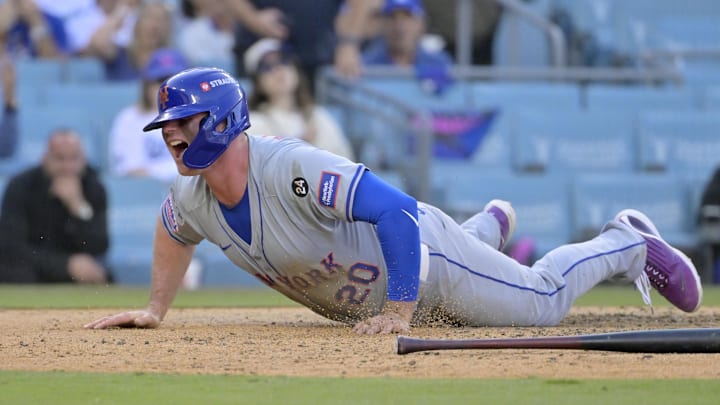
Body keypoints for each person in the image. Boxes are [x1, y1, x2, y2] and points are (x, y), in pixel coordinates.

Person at [85, 67, 702, 334]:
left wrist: (402, 312)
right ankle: (485, 229)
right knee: (469, 253)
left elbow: (397, 211)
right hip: (387, 269)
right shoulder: (192, 194)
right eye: (165, 123)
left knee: (540, 302)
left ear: (219, 120)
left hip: (421, 264)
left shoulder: (293, 167)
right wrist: (157, 308)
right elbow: (173, 227)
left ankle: (623, 240)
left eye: (183, 120)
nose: (169, 132)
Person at [0, 128, 111, 284]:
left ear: (83, 159)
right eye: (60, 159)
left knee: (103, 276)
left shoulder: (93, 187)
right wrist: (65, 265)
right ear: (45, 158)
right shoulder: (21, 185)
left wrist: (78, 207)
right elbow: (11, 247)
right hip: (32, 272)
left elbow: (100, 246)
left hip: (78, 276)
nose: (67, 167)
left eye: (73, 159)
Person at [244, 38, 355, 160]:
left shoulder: (319, 116)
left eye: (284, 61)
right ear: (258, 83)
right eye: (267, 67)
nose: (278, 70)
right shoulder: (254, 123)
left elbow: (346, 164)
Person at [109, 47, 189, 182]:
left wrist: (152, 171)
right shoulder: (129, 119)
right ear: (147, 85)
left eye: (175, 81)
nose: (167, 88)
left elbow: (202, 167)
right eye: (160, 80)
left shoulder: (197, 118)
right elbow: (130, 171)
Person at [85, 1, 173, 81]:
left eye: (161, 20)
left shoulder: (172, 62)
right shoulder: (120, 55)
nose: (155, 26)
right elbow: (98, 43)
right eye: (149, 18)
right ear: (137, 23)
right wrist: (123, 9)